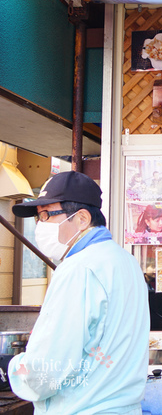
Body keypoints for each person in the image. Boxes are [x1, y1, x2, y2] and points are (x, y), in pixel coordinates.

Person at [8, 171, 149, 414]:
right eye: (38, 218)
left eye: (46, 215)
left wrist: (16, 368)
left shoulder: (78, 269)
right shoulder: (124, 260)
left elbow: (44, 371)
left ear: (82, 218)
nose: (40, 226)